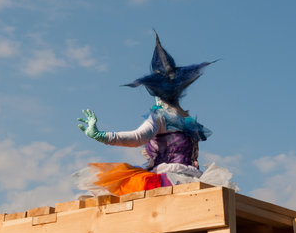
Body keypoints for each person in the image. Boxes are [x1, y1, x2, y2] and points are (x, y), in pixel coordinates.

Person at [76, 33, 236, 196]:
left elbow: (137, 138)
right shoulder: (188, 122)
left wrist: (100, 135)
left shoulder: (160, 117)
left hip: (167, 182)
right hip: (193, 180)